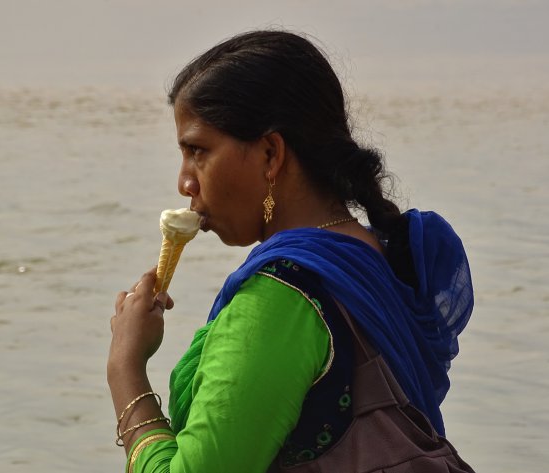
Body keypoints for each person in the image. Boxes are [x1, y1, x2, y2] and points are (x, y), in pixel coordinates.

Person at [107, 30, 473, 472]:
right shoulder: (381, 256)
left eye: (198, 151)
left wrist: (126, 370)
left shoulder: (280, 296)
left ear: (270, 153)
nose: (185, 182)